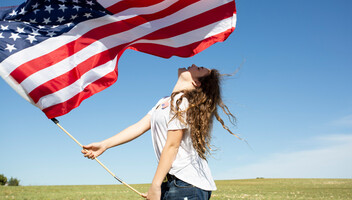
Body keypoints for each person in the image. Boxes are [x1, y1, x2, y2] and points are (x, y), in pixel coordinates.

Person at [81, 64, 239, 200]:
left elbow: (172, 146)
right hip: (174, 182)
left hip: (188, 184)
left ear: (196, 82)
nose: (192, 64)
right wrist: (104, 145)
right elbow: (139, 126)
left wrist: (155, 185)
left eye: (197, 69)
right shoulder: (165, 101)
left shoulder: (182, 102)